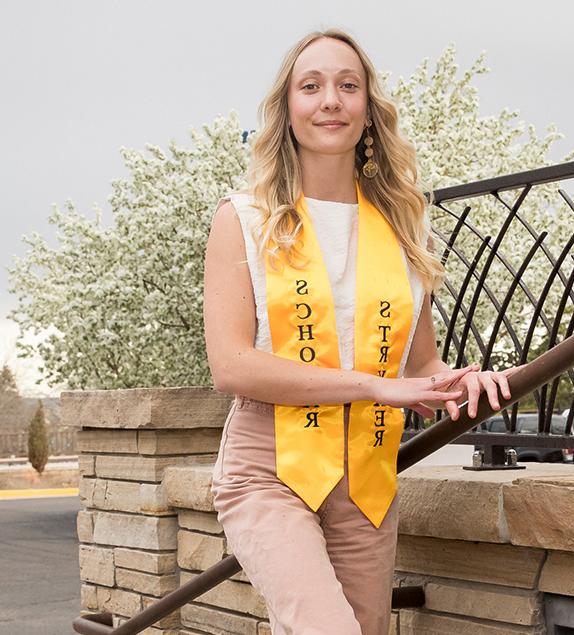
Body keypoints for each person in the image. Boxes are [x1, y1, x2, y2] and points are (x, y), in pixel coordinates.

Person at [203, 28, 518, 635]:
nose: (331, 100)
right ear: (287, 109)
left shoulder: (404, 230)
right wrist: (373, 387)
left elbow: (419, 364)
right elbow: (233, 365)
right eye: (312, 86)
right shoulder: (245, 220)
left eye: (349, 86)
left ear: (369, 111)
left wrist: (455, 382)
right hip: (270, 466)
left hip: (367, 474)